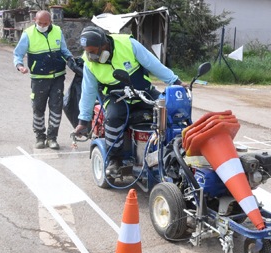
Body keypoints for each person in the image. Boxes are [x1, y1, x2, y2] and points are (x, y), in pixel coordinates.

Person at [74, 26, 188, 175]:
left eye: (94, 51)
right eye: (87, 52)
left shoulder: (128, 44)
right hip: (116, 97)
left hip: (143, 91)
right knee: (113, 118)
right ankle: (115, 160)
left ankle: (176, 151)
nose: (91, 56)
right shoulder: (88, 62)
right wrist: (83, 121)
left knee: (170, 109)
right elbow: (88, 91)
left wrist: (175, 82)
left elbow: (152, 64)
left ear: (104, 45)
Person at [13, 10, 73, 149]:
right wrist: (20, 66)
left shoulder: (57, 31)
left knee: (56, 108)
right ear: (35, 20)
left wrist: (70, 59)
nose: (42, 25)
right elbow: (18, 53)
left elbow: (64, 50)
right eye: (39, 23)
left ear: (50, 22)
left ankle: (52, 138)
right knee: (38, 109)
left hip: (57, 77)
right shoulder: (28, 34)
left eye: (45, 23)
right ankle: (40, 137)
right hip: (39, 78)